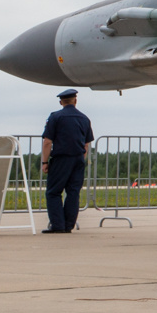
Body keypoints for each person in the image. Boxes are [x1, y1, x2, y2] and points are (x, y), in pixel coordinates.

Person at [40, 88, 93, 233]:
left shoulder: (55, 117)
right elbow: (86, 144)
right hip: (78, 159)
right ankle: (69, 225)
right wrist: (80, 159)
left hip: (61, 158)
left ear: (60, 102)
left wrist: (45, 162)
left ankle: (58, 225)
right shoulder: (84, 118)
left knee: (54, 192)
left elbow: (47, 142)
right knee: (73, 192)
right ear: (75, 101)